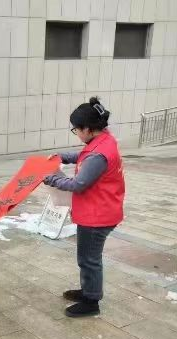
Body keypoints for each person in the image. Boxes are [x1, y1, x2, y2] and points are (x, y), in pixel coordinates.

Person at [43, 97, 125, 317]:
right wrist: (63, 157)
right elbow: (83, 156)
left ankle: (91, 302)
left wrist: (51, 179)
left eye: (76, 130)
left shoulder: (99, 154)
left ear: (88, 129)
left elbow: (78, 184)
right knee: (88, 257)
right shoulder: (103, 140)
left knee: (89, 258)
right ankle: (88, 290)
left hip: (97, 215)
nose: (77, 133)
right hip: (100, 209)